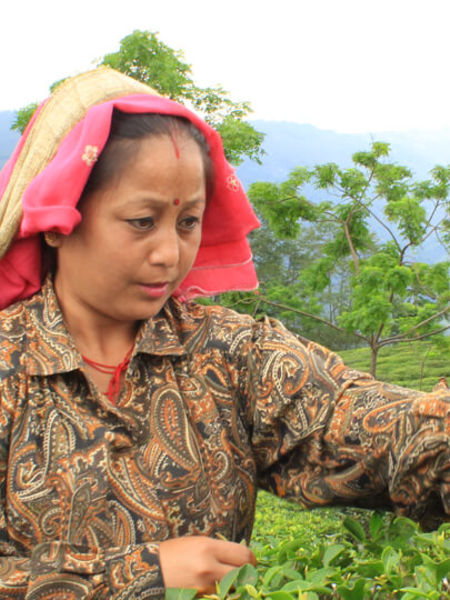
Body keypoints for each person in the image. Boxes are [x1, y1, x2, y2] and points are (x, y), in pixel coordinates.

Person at [0, 67, 448, 600]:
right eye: (142, 221)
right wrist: (143, 576)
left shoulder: (227, 353)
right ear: (59, 220)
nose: (170, 254)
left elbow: (365, 424)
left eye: (188, 222)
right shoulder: (10, 369)